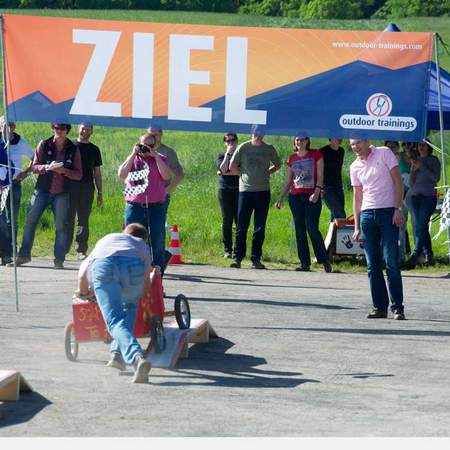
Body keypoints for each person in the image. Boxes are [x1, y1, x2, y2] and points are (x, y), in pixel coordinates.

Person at [75, 223, 153, 383]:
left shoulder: (106, 240)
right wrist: (138, 298)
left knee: (115, 321)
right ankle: (117, 355)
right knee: (130, 307)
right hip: (133, 266)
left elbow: (82, 276)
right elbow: (146, 285)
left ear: (123, 232)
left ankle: (137, 357)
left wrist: (84, 293)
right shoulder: (142, 246)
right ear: (144, 238)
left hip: (105, 265)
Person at [10, 123, 82, 269]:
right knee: (30, 222)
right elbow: (34, 166)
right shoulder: (44, 144)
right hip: (42, 190)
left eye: (62, 129)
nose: (59, 131)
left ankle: (59, 260)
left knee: (61, 227)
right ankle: (24, 255)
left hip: (62, 193)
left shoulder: (74, 149)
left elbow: (78, 174)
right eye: (56, 128)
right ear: (52, 129)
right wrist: (47, 167)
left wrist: (63, 171)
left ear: (67, 130)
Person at [350, 138, 405, 320]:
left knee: (391, 261)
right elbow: (357, 197)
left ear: (366, 142)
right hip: (367, 215)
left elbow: (398, 181)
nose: (355, 147)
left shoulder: (384, 153)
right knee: (372, 265)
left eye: (358, 142)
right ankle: (379, 307)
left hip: (388, 211)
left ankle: (397, 307)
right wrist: (357, 226)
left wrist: (397, 208)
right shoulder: (354, 166)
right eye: (352, 144)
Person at [276, 134, 332, 273]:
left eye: (303, 139)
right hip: (295, 197)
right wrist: (280, 197)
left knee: (312, 228)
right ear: (294, 142)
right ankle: (304, 263)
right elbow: (288, 180)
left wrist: (317, 192)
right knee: (299, 229)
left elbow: (320, 176)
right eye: (297, 140)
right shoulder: (292, 158)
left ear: (307, 141)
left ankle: (324, 260)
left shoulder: (316, 154)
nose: (300, 142)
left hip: (312, 196)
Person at [118, 132, 172, 274]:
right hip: (135, 206)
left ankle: (157, 281)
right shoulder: (133, 159)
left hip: (156, 207)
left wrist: (155, 156)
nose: (146, 149)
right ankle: (132, 276)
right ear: (138, 144)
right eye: (143, 145)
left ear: (155, 146)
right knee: (131, 241)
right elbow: (121, 174)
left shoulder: (161, 159)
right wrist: (133, 154)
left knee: (157, 242)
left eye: (150, 146)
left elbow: (167, 176)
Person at [229, 125, 281, 269]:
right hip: (245, 191)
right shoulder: (243, 147)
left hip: (263, 191)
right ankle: (237, 258)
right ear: (252, 132)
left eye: (262, 132)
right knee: (241, 226)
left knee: (259, 227)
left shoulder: (269, 148)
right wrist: (243, 174)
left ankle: (256, 259)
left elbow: (277, 165)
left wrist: (267, 173)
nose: (259, 134)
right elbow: (232, 165)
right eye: (256, 131)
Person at [66, 122, 103, 260]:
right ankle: (63, 248)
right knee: (68, 218)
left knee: (83, 219)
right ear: (78, 129)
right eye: (83, 128)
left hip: (87, 187)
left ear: (91, 132)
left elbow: (97, 173)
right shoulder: (70, 146)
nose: (85, 131)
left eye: (88, 129)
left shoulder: (94, 149)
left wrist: (100, 192)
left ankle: (81, 249)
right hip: (70, 187)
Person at [0, 118, 34, 265]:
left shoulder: (20, 142)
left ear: (14, 127)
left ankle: (10, 252)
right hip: (0, 186)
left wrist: (25, 173)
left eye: (11, 125)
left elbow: (35, 159)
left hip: (13, 185)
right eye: (4, 125)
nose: (8, 128)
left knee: (11, 220)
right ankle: (4, 251)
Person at [405, 139, 441, 269]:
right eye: (419, 145)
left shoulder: (434, 160)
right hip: (415, 196)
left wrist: (423, 167)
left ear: (429, 147)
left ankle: (415, 255)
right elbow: (411, 183)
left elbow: (436, 178)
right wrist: (414, 171)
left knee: (421, 224)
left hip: (429, 196)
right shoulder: (416, 160)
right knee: (420, 225)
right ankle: (428, 254)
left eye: (423, 145)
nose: (421, 147)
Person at [216, 133, 240, 259]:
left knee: (239, 220)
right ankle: (227, 250)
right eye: (228, 140)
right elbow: (223, 169)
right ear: (225, 142)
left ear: (237, 141)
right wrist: (228, 154)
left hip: (239, 190)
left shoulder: (241, 155)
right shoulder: (221, 155)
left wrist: (226, 172)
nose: (231, 142)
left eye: (233, 140)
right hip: (224, 190)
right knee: (227, 220)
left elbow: (240, 173)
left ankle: (238, 250)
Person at [319, 138, 346, 221]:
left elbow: (338, 170)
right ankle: (340, 234)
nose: (339, 138)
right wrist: (319, 187)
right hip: (326, 187)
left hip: (338, 186)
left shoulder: (341, 151)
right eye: (336, 136)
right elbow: (318, 170)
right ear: (330, 138)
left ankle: (334, 234)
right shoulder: (322, 151)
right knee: (340, 214)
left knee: (335, 216)